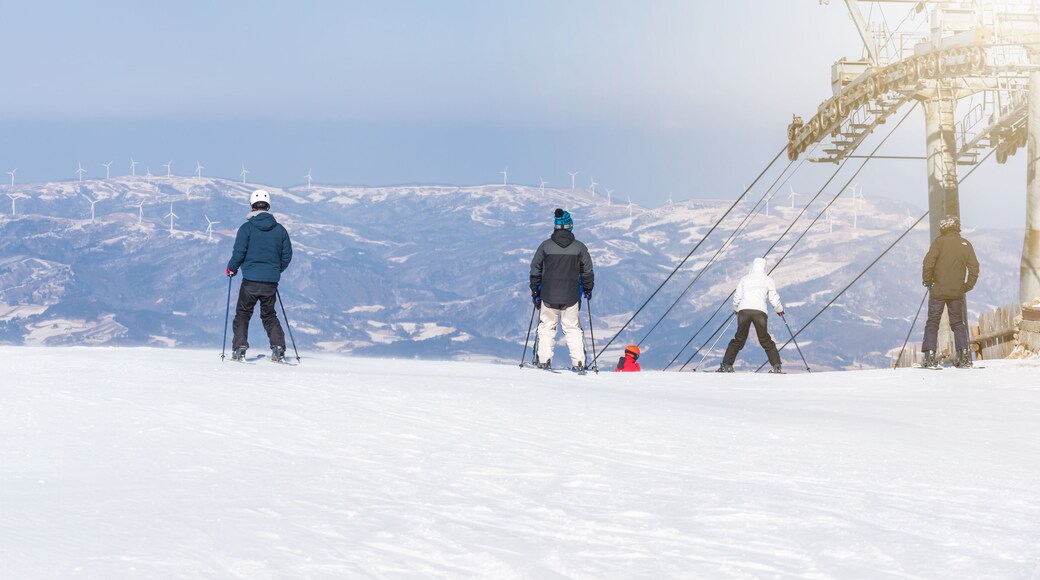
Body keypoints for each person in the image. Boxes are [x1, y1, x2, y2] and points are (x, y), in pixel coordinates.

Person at [226, 189, 293, 362]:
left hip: (250, 281)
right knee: (269, 315)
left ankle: (239, 347)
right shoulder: (280, 231)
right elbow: (287, 255)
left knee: (242, 313)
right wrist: (276, 270)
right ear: (268, 205)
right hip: (271, 282)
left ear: (252, 205)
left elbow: (239, 253)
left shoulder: (246, 229)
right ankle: (278, 348)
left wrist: (231, 268)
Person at [529, 208, 595, 371]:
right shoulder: (580, 248)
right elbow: (587, 271)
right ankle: (579, 363)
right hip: (571, 295)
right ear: (570, 226)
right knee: (572, 328)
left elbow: (535, 269)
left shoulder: (545, 246)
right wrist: (588, 289)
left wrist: (535, 291)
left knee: (546, 327)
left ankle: (543, 360)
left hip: (548, 294)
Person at [921, 215, 980, 368]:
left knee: (933, 322)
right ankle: (964, 355)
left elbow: (928, 263)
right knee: (958, 323)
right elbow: (974, 268)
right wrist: (967, 286)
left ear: (943, 227)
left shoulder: (939, 243)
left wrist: (928, 282)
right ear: (957, 226)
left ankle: (930, 355)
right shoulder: (965, 244)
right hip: (957, 292)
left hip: (938, 290)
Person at [717, 257, 784, 373]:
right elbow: (774, 299)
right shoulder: (768, 280)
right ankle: (777, 367)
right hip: (760, 312)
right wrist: (779, 310)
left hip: (744, 311)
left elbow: (737, 297)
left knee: (739, 339)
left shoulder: (745, 279)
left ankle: (726, 365)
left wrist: (736, 309)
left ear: (753, 266)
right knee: (765, 340)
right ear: (764, 267)